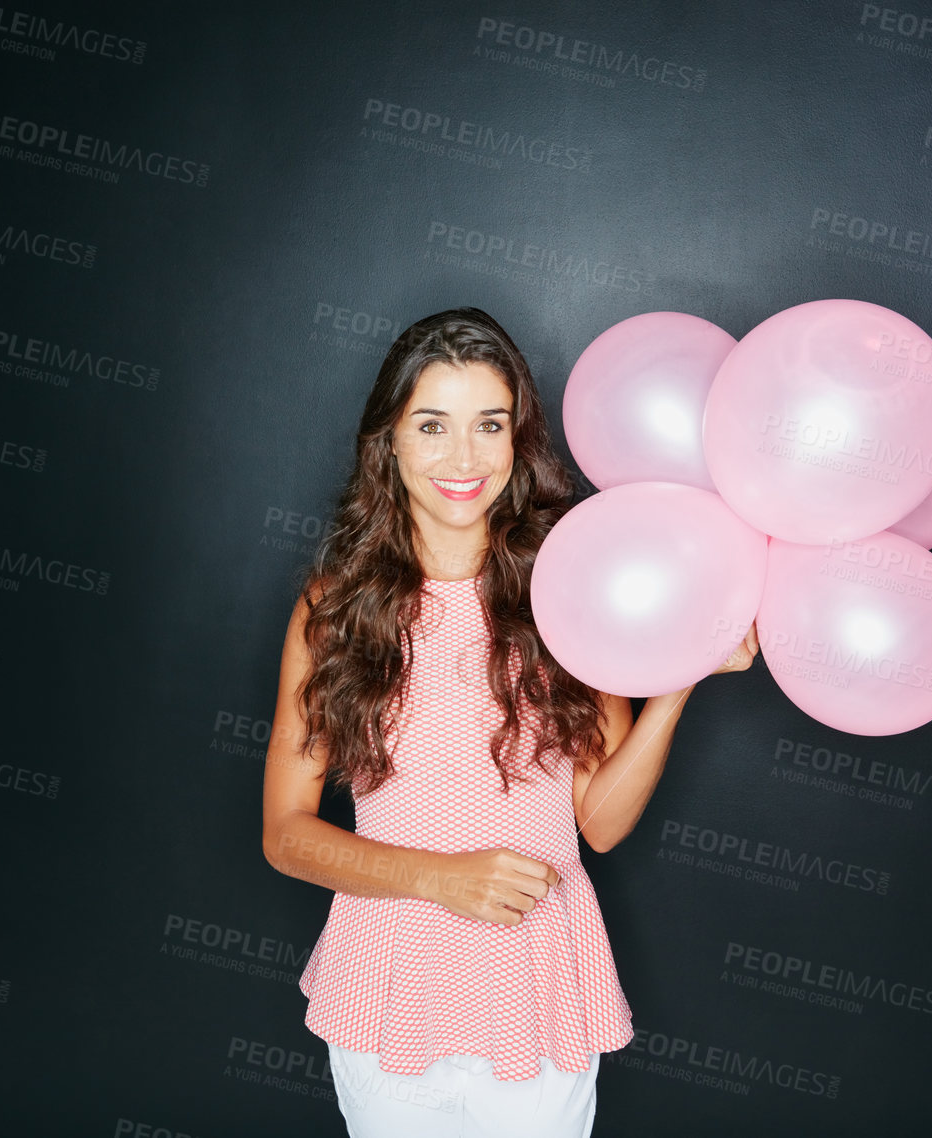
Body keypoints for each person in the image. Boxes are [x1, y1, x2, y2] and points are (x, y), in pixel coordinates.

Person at [260, 307, 758, 1138]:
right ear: (388, 441)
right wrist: (443, 878)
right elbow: (285, 835)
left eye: (488, 425)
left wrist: (676, 685)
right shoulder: (333, 611)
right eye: (432, 426)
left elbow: (598, 824)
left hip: (541, 986)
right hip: (389, 991)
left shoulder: (571, 583)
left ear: (517, 437)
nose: (464, 459)